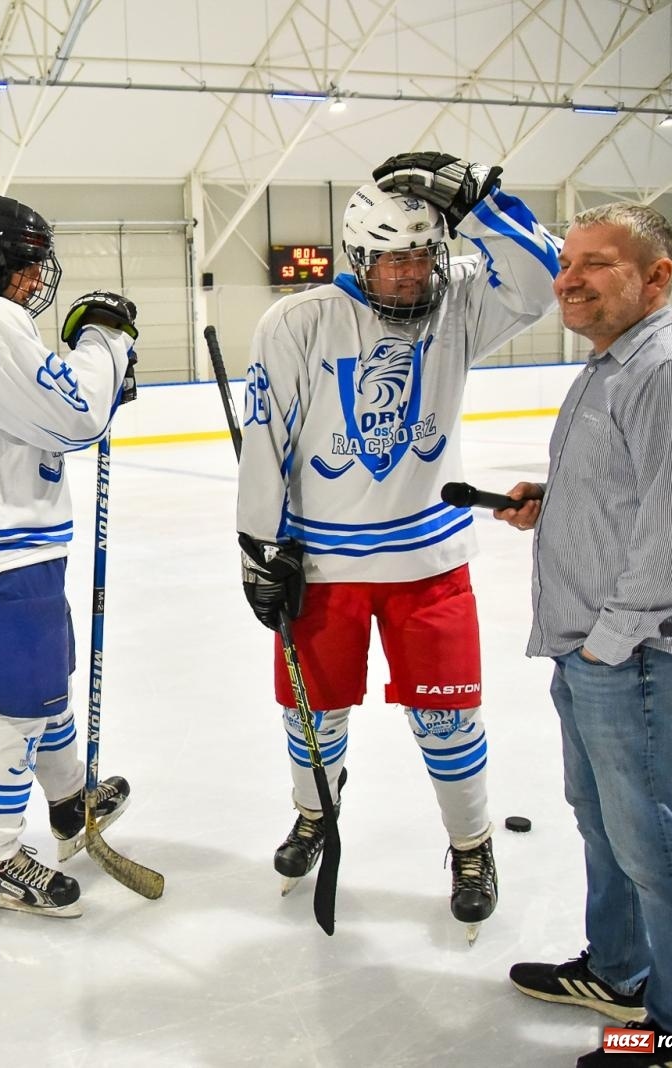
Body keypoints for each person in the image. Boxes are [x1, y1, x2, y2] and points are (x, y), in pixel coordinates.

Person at [235, 153, 560, 939]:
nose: (410, 273)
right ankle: (314, 816)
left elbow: (542, 276)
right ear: (359, 256)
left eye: (422, 254)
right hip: (323, 567)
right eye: (392, 258)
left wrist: (481, 202)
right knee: (316, 718)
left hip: (430, 567)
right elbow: (264, 443)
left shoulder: (462, 307)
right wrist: (257, 551)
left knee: (449, 723)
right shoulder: (298, 321)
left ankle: (472, 844)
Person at [496, 202, 672, 1068]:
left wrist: (609, 644)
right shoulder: (612, 367)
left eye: (596, 263)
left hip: (645, 659)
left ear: (656, 277)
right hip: (599, 653)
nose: (568, 278)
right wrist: (553, 504)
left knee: (664, 852)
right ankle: (618, 971)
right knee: (606, 827)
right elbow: (634, 500)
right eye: (567, 262)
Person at [0, 194, 138, 917]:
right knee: (14, 712)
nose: (39, 277)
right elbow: (75, 414)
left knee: (47, 695)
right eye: (31, 262)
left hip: (0, 546)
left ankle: (70, 806)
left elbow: (38, 412)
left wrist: (88, 388)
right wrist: (106, 342)